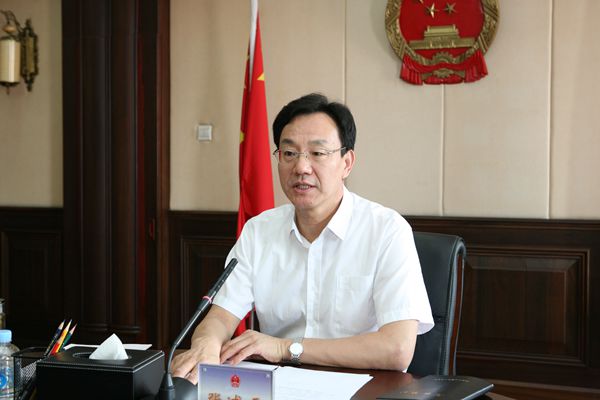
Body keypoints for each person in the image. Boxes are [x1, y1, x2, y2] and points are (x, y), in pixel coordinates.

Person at [171, 93, 433, 383]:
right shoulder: (259, 231)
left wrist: (285, 348)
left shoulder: (386, 231)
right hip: (280, 386)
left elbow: (397, 349)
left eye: (317, 153)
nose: (301, 167)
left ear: (347, 163)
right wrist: (206, 345)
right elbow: (221, 316)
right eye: (289, 153)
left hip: (364, 389)